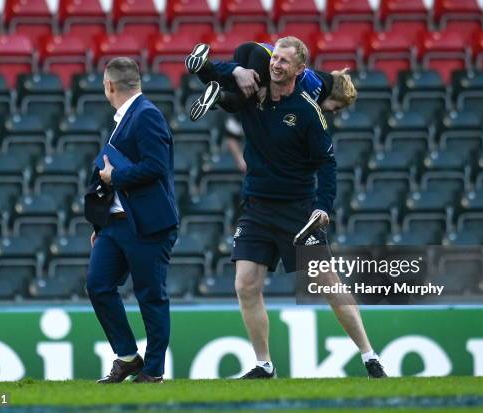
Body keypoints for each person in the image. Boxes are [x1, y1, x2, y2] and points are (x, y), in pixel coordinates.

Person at [206, 37, 386, 379]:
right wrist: (232, 69)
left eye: (285, 61)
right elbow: (216, 74)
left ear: (300, 70)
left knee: (329, 284)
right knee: (245, 284)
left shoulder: (306, 110)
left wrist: (323, 206)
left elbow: (327, 164)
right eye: (275, 58)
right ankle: (264, 364)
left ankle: (369, 356)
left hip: (297, 212)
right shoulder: (253, 94)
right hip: (256, 206)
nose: (276, 64)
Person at [84, 57, 178, 384]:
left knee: (150, 296)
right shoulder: (129, 116)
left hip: (148, 225)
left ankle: (153, 371)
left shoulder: (146, 115)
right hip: (117, 225)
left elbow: (157, 167)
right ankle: (127, 357)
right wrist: (101, 225)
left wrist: (115, 176)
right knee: (98, 284)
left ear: (109, 86)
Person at [185, 42, 357, 121]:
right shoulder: (318, 89)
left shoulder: (318, 79)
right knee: (239, 101)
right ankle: (218, 96)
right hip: (266, 59)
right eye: (338, 106)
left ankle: (202, 64)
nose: (335, 112)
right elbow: (291, 79)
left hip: (255, 49)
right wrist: (268, 87)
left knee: (223, 80)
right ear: (336, 92)